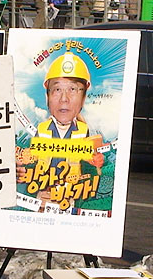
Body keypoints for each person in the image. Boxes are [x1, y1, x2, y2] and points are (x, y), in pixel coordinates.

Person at [17, 52, 103, 211]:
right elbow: (30, 163)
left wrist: (95, 161)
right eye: (57, 89)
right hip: (43, 195)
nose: (64, 98)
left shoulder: (83, 131)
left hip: (69, 197)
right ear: (47, 96)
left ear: (83, 98)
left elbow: (89, 167)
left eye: (73, 89)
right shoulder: (42, 129)